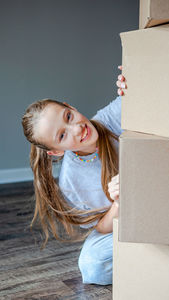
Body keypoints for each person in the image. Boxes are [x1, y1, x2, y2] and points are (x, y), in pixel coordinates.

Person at [21, 66, 127, 285]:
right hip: (123, 220)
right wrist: (118, 203)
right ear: (56, 151)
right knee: (91, 264)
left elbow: (148, 95)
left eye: (68, 116)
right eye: (62, 135)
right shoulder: (71, 181)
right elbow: (102, 227)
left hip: (163, 194)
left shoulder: (111, 118)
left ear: (70, 107)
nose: (77, 129)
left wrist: (136, 79)